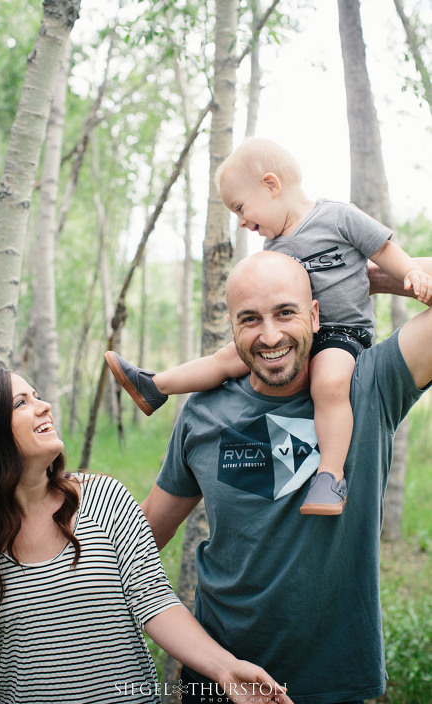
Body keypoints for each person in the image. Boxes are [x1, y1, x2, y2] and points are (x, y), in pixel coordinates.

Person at [140, 251, 432, 703]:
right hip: (218, 673)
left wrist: (364, 279)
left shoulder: (369, 385)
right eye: (250, 319)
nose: (270, 335)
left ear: (316, 314)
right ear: (232, 328)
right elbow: (142, 541)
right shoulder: (202, 412)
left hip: (330, 681)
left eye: (286, 312)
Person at [106, 138, 432, 516]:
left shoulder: (338, 217)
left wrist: (409, 273)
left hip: (341, 333)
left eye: (241, 208)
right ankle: (155, 386)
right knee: (227, 357)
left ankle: (329, 476)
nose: (242, 221)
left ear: (271, 185)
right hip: (299, 339)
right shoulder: (273, 253)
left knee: (328, 383)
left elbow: (381, 249)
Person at [0, 369, 292, 704]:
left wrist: (226, 670)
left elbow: (156, 601)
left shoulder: (105, 498)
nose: (44, 406)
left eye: (37, 395)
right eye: (21, 403)